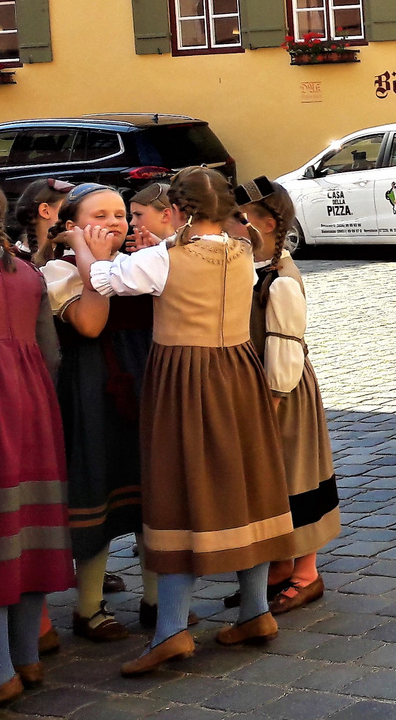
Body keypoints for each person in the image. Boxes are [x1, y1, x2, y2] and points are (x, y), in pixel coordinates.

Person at [86, 166, 295, 676]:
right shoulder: (243, 251)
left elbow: (105, 281)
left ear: (176, 210)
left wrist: (90, 245)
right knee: (247, 482)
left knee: (179, 488)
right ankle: (255, 612)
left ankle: (172, 631)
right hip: (238, 371)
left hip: (184, 378)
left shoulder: (164, 257)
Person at [0, 171, 71, 717]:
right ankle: (25, 657)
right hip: (32, 406)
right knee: (27, 527)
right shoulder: (25, 270)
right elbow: (52, 356)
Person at [38, 184, 150, 642]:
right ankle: (89, 607)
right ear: (72, 228)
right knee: (97, 489)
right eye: (100, 215)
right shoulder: (57, 270)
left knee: (152, 491)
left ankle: (158, 599)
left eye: (121, 214)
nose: (116, 222)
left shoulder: (141, 262)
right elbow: (90, 322)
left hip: (146, 377)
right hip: (92, 387)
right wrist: (91, 261)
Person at [231, 179, 339, 615]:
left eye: (241, 219)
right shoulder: (250, 271)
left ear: (269, 224)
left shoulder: (281, 281)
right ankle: (277, 567)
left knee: (296, 479)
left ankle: (306, 572)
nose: (233, 226)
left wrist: (272, 401)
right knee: (270, 484)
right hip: (260, 390)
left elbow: (285, 346)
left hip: (283, 393)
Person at [8, 177, 70, 263]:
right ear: (45, 211)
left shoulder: (74, 257)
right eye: (68, 209)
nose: (76, 216)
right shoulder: (10, 261)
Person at [128, 182, 180, 251]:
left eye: (138, 214)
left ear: (165, 215)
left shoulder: (191, 248)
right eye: (131, 216)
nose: (132, 223)